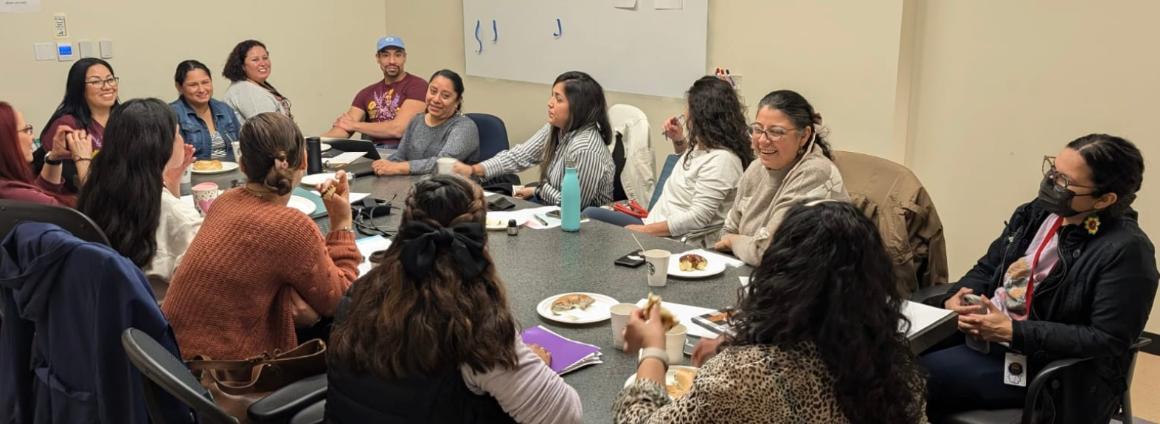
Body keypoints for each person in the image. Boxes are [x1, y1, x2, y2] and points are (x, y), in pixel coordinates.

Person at [615, 200, 927, 423]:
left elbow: (638, 419)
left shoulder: (742, 378)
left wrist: (654, 349)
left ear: (779, 277)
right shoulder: (897, 365)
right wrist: (733, 348)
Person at [922, 134, 1157, 422]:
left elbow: (1107, 339)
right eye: (1053, 170)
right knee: (878, 350)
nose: (1051, 183)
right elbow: (989, 266)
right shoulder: (1039, 212)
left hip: (1036, 363)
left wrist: (1012, 331)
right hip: (985, 331)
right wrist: (957, 295)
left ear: (1105, 199)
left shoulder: (1127, 251)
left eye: (1064, 182)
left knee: (908, 376)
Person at [327, 175, 582, 423]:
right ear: (480, 240)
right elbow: (565, 415)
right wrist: (528, 363)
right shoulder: (472, 324)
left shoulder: (359, 292)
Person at [162, 112, 359, 360]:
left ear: (243, 165)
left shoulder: (225, 201)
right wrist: (341, 223)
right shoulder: (291, 227)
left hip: (173, 364)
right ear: (304, 161)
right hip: (225, 382)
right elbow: (341, 300)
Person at [583, 77, 752, 245]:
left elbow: (698, 218)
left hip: (670, 238)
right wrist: (679, 140)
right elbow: (692, 173)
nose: (685, 115)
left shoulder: (723, 161)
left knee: (590, 217)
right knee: (589, 216)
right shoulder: (704, 146)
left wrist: (644, 231)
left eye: (689, 110)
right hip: (653, 224)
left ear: (703, 117)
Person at [715, 90, 849, 266]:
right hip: (756, 272)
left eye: (776, 132)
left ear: (804, 136)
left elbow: (767, 251)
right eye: (757, 130)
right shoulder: (756, 168)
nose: (762, 140)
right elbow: (728, 229)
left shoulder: (815, 173)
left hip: (813, 281)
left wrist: (734, 242)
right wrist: (737, 241)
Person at [77, 98, 199, 287]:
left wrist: (170, 183)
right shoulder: (184, 219)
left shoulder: (96, 195)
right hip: (160, 312)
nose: (182, 141)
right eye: (177, 134)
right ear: (161, 148)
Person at [452, 71, 614, 208]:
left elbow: (573, 206)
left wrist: (540, 189)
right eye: (552, 96)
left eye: (558, 99)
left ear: (579, 108)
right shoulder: (557, 128)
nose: (550, 104)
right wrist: (474, 170)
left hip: (586, 227)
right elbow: (520, 156)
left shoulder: (585, 148)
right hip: (551, 210)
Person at [323, 36, 427, 148]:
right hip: (375, 153)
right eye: (386, 55)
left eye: (397, 55)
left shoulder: (418, 86)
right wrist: (311, 143)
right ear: (378, 58)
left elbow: (398, 129)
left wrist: (355, 125)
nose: (392, 61)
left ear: (404, 57)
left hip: (406, 154)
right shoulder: (366, 93)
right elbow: (343, 128)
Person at [371, 69, 479, 176]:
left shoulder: (465, 127)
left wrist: (399, 168)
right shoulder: (417, 120)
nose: (436, 99)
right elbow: (400, 157)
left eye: (445, 96)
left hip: (450, 189)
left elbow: (443, 164)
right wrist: (382, 165)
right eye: (433, 91)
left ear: (457, 101)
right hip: (412, 186)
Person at [34, 58, 118, 193]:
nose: (107, 86)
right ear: (79, 88)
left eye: (110, 79)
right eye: (96, 82)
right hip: (83, 198)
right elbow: (64, 179)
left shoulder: (125, 117)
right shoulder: (67, 125)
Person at [0, 102, 90, 206]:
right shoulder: (16, 195)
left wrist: (54, 158)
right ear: (6, 140)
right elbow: (89, 211)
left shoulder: (6, 188)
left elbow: (39, 192)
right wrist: (83, 160)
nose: (32, 137)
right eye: (26, 130)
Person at [170, 60, 242, 160]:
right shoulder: (172, 114)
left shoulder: (225, 110)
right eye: (193, 85)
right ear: (179, 87)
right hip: (194, 175)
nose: (202, 89)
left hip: (232, 173)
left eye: (205, 82)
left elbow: (242, 145)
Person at [222, 40, 292, 123]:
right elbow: (266, 129)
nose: (263, 63)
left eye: (265, 58)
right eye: (255, 60)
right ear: (242, 66)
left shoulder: (256, 85)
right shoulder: (246, 90)